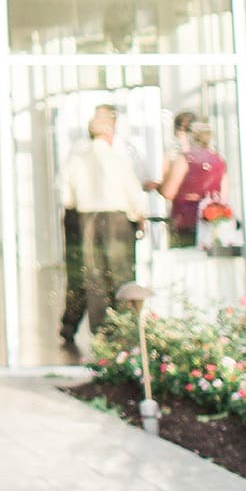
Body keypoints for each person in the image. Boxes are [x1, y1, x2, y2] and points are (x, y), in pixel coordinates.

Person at [60, 105, 146, 351]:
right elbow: (132, 191)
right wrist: (139, 215)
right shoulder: (116, 157)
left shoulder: (76, 158)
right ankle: (124, 329)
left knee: (94, 275)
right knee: (120, 274)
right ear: (110, 131)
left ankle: (100, 330)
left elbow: (66, 194)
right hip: (116, 219)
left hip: (87, 217)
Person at [161, 115, 228, 249]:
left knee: (185, 256)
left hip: (185, 219)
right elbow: (224, 194)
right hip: (212, 220)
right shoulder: (219, 160)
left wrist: (160, 183)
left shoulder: (185, 159)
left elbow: (168, 192)